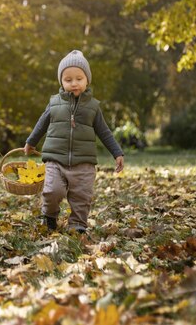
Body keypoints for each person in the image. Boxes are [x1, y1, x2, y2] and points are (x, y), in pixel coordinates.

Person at [24, 50, 124, 234]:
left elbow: (104, 131)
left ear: (87, 80)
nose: (74, 83)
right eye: (68, 79)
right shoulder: (54, 103)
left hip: (84, 163)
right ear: (61, 82)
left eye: (79, 78)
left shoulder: (93, 107)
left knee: (81, 197)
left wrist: (117, 153)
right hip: (55, 160)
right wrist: (31, 142)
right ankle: (50, 216)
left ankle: (78, 225)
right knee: (52, 191)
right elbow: (41, 123)